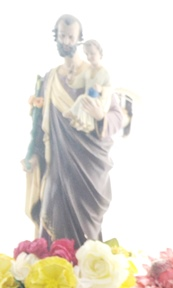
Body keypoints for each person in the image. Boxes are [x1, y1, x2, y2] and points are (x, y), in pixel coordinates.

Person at [23, 15, 124, 248]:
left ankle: (86, 265)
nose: (66, 41)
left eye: (71, 37)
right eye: (62, 36)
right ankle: (52, 265)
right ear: (56, 37)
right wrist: (33, 155)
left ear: (79, 39)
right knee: (51, 209)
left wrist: (100, 117)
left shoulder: (96, 73)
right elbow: (39, 124)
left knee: (85, 231)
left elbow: (117, 116)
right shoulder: (50, 79)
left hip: (87, 165)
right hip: (57, 163)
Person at [65, 39, 111, 134]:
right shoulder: (88, 70)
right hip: (88, 97)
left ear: (99, 53)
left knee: (83, 99)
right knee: (83, 99)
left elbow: (110, 89)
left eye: (92, 54)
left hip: (99, 101)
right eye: (87, 54)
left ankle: (82, 121)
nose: (89, 57)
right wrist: (71, 79)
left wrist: (101, 89)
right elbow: (78, 82)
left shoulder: (104, 72)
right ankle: (79, 120)